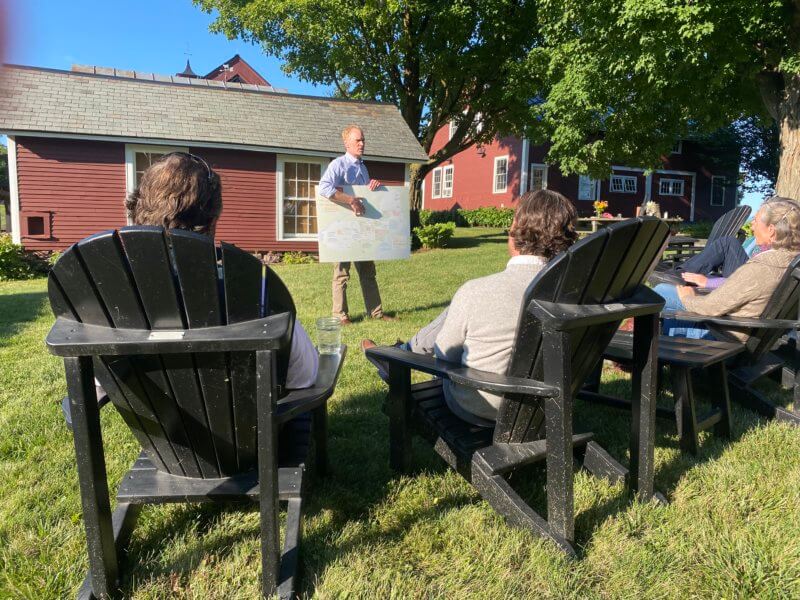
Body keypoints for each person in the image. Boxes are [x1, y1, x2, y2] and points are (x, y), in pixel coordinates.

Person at [362, 190, 579, 427]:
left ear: (515, 231)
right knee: (463, 305)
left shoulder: (478, 291)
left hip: (482, 405)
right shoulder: (578, 293)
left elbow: (446, 355)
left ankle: (400, 354)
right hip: (549, 406)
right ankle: (402, 350)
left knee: (463, 307)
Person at [126, 152, 319, 390]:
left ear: (138, 209)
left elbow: (96, 386)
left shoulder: (114, 289)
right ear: (212, 221)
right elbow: (304, 375)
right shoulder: (246, 288)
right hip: (247, 423)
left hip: (155, 423)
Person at [655, 196, 800, 341]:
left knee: (660, 291)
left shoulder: (761, 268)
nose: (752, 225)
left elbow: (711, 307)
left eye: (755, 221)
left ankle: (645, 355)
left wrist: (688, 298)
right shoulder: (792, 262)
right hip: (754, 336)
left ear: (771, 230)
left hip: (725, 339)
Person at [318, 124, 394, 325]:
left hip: (362, 228)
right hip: (343, 227)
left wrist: (372, 187)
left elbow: (364, 197)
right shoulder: (338, 165)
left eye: (363, 140)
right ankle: (340, 315)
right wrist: (350, 199)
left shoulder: (363, 167)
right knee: (341, 273)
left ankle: (376, 313)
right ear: (347, 143)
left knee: (368, 272)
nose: (362, 144)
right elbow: (324, 188)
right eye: (357, 140)